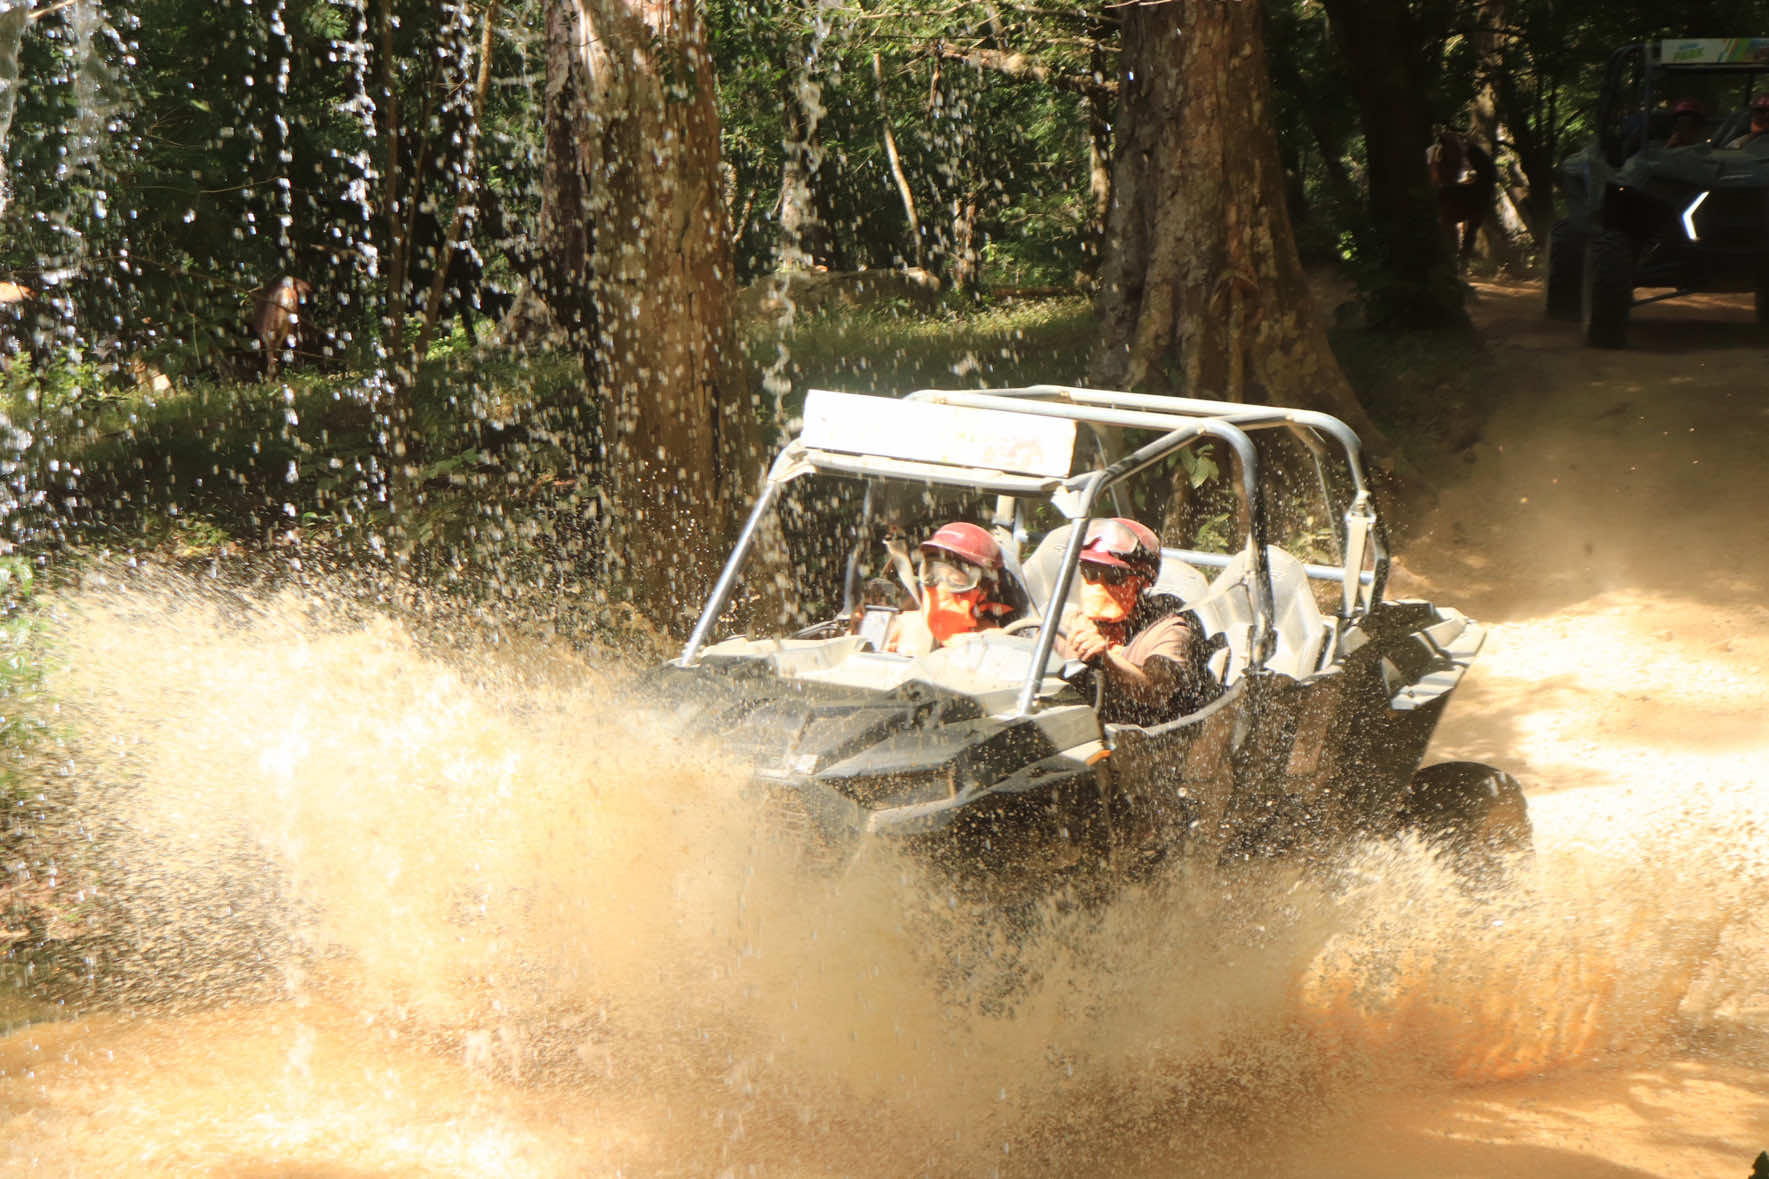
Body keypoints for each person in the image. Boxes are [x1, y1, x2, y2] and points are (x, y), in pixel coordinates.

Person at [1055, 518, 1213, 725]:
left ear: (1142, 581)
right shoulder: (1064, 625)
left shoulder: (1168, 628)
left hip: (1146, 745)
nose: (1099, 584)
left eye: (1114, 576)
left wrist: (1106, 659)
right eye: (1090, 572)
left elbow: (1157, 691)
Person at [885, 521, 1014, 654]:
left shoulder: (994, 642)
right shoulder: (902, 627)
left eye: (954, 580)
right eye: (931, 574)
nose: (940, 586)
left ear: (984, 588)